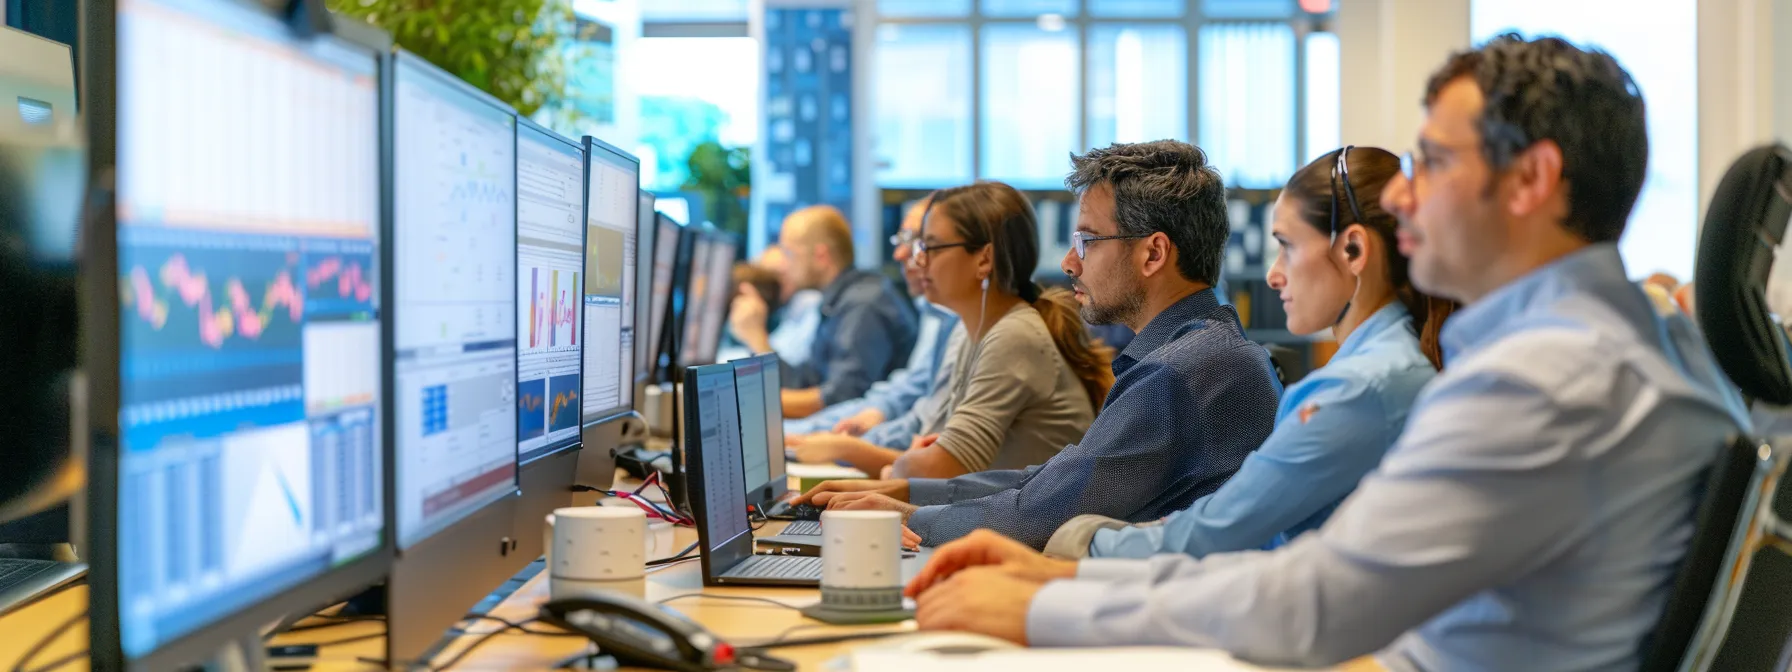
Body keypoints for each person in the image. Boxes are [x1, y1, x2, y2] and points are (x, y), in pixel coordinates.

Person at [900, 35, 1752, 671]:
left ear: (1530, 181)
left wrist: (1049, 603)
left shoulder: (1540, 382)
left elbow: (1316, 603)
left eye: (1435, 162)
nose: (1405, 194)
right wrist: (1067, 586)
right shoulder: (1628, 342)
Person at [792, 140, 1282, 550]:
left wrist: (911, 515)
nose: (1070, 262)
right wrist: (909, 492)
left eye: (1088, 242)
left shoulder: (1184, 371)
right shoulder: (1201, 354)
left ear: (1153, 253)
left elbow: (1045, 512)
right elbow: (1056, 479)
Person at [1044, 146, 1453, 560]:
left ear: (1353, 251)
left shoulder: (1360, 389)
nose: (1274, 275)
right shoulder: (1381, 369)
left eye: (1287, 246)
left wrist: (1078, 543)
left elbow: (1223, 528)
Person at [790, 182, 1112, 478]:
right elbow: (930, 453)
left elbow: (940, 467)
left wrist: (870, 457)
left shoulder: (1014, 335)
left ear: (984, 259)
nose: (919, 262)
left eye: (931, 248)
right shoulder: (968, 330)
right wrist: (910, 464)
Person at [782, 198, 960, 439]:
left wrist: (789, 433)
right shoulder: (938, 316)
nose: (899, 254)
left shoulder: (863, 304)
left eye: (922, 242)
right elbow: (904, 395)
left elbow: (841, 395)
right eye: (901, 241)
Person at [729, 205, 918, 418]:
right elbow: (805, 381)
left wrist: (746, 401)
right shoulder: (837, 300)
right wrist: (757, 340)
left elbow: (839, 398)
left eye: (789, 252)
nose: (784, 264)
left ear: (821, 256)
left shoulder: (863, 305)